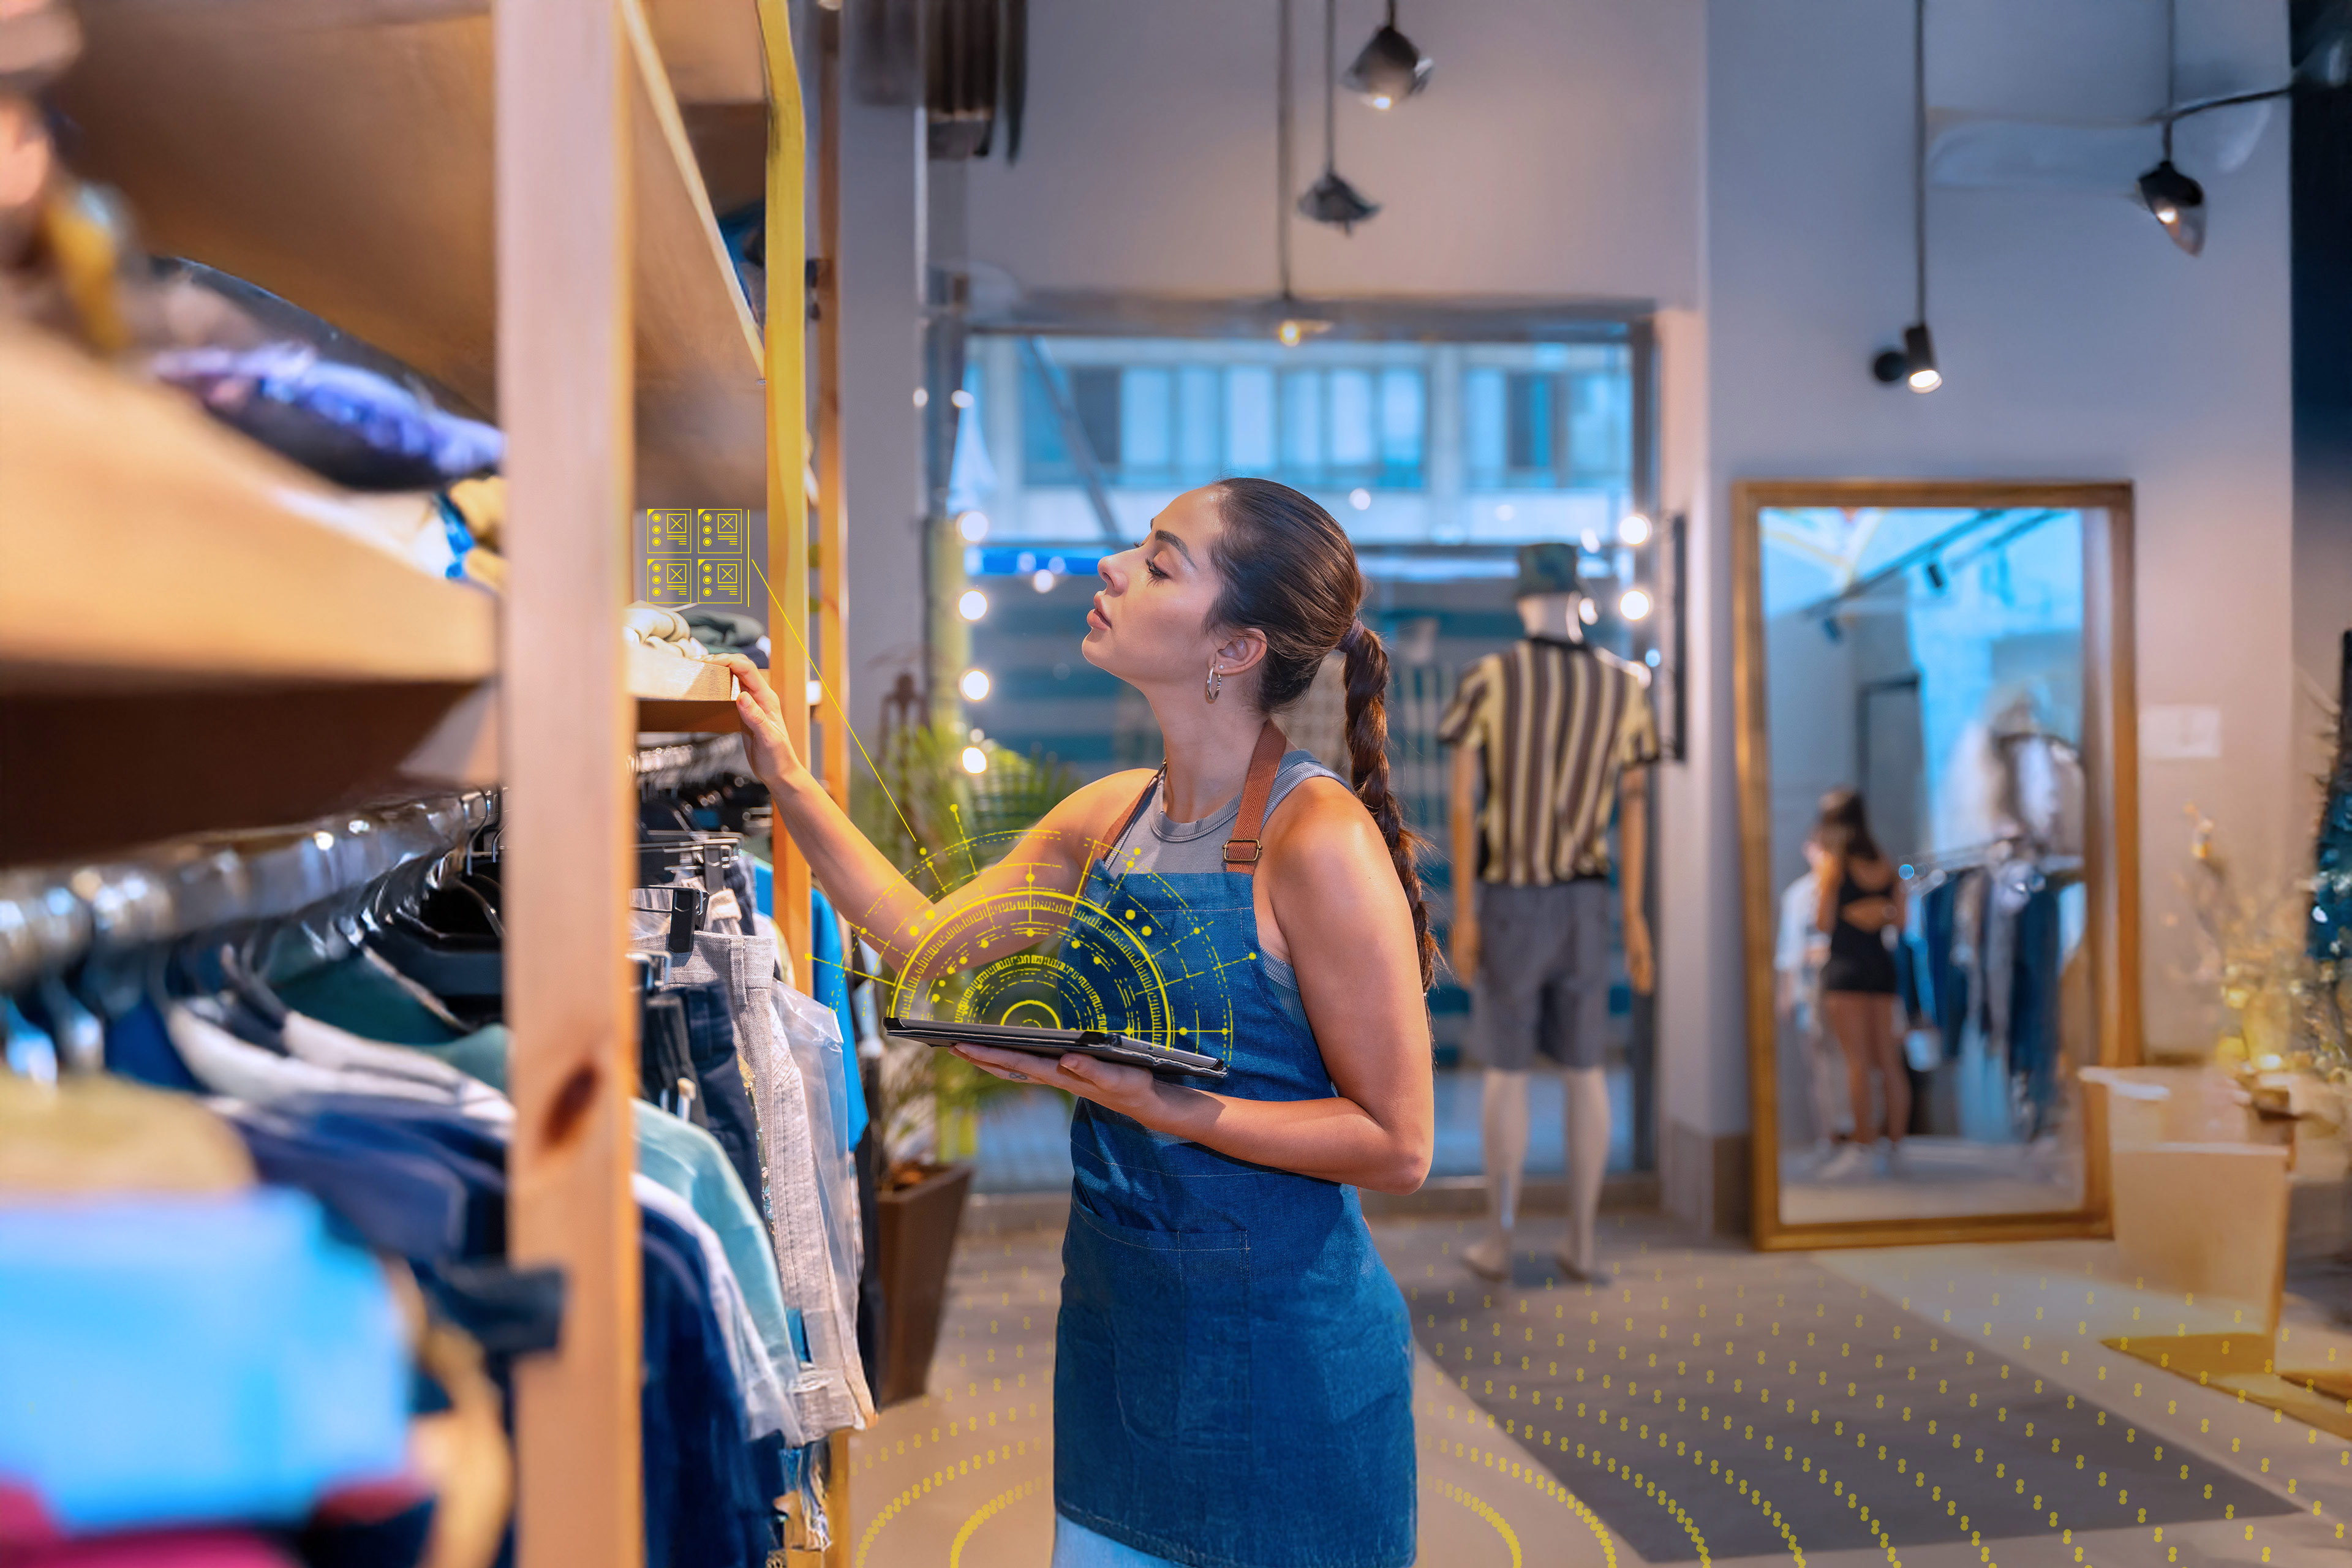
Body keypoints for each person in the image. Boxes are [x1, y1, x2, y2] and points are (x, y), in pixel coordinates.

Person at [717, 478, 1434, 1568]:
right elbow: (924, 944)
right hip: (1118, 1340)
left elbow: (1399, 1143)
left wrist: (1172, 1108)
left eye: (1159, 562)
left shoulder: (1318, 839)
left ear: (1234, 649)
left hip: (1293, 1376)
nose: (1111, 568)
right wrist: (791, 783)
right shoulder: (1106, 819)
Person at [1439, 542, 1654, 1286]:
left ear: (1523, 599)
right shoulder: (1625, 686)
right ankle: (1583, 1240)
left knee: (1507, 1070)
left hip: (1510, 898)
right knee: (1586, 1068)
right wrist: (1633, 916)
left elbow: (1465, 807)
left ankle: (1500, 1240)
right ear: (1581, 598)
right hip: (1589, 901)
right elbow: (1634, 805)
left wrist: (1463, 914)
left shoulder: (1492, 679)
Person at [1812, 788, 1908, 1178]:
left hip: (1846, 968)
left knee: (1856, 1060)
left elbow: (1823, 922)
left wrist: (1851, 911)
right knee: (1888, 1059)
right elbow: (1900, 919)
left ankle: (1864, 1145)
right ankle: (1896, 1145)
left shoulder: (1833, 864)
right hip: (1881, 966)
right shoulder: (1886, 863)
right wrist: (1877, 912)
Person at [1775, 831, 1847, 1161]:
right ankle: (1828, 1134)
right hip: (1811, 986)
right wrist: (1786, 993)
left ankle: (1858, 1130)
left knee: (1852, 1059)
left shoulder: (1845, 886)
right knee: (1817, 1063)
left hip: (1846, 982)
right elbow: (1789, 949)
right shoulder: (1799, 894)